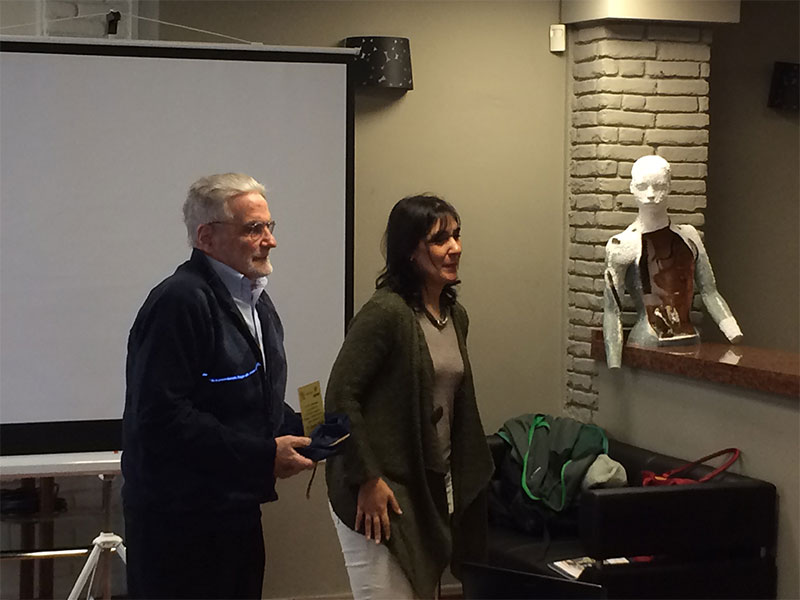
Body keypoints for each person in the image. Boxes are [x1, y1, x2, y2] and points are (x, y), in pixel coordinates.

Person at [122, 173, 314, 599]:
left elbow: (246, 398)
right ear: (206, 237)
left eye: (269, 226)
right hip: (180, 527)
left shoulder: (256, 301)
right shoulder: (179, 301)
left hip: (236, 512)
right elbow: (162, 418)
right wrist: (264, 454)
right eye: (253, 229)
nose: (270, 241)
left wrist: (311, 430)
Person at [325, 194, 494, 599]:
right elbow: (340, 397)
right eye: (439, 240)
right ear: (410, 251)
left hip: (429, 485)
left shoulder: (455, 316)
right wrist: (367, 478)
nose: (454, 248)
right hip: (376, 488)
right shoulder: (386, 313)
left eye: (456, 236)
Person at [603, 155, 743, 368]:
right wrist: (614, 362)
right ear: (632, 188)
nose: (651, 194)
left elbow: (709, 290)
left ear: (669, 187)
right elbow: (612, 310)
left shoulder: (689, 236)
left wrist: (732, 330)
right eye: (642, 186)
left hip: (691, 341)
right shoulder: (622, 245)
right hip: (647, 342)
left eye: (658, 186)